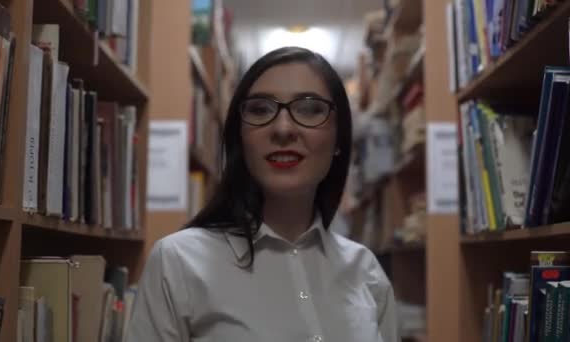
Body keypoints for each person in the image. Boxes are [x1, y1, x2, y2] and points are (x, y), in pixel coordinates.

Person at [127, 46, 398, 342]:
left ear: (338, 140)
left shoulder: (366, 272)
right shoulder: (178, 261)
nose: (283, 129)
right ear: (239, 139)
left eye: (309, 108)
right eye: (260, 109)